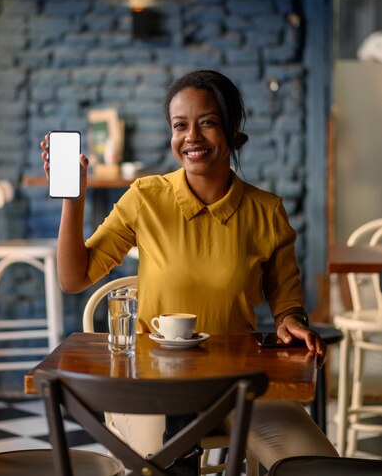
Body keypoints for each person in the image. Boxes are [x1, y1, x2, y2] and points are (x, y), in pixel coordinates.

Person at [40, 69, 338, 468]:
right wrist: (73, 199)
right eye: (180, 126)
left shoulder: (266, 212)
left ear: (232, 128)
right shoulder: (146, 197)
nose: (191, 137)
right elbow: (74, 278)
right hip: (148, 386)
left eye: (207, 123)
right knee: (157, 466)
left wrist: (292, 321)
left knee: (318, 466)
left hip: (238, 386)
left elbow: (287, 304)